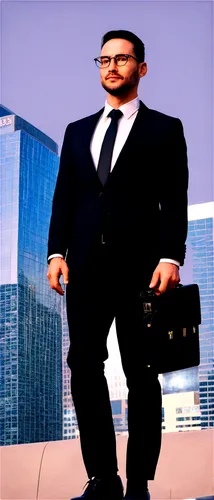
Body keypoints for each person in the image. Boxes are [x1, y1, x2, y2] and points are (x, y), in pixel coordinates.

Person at [47, 29, 188, 500]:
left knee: (142, 373)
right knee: (84, 366)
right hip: (85, 269)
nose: (111, 66)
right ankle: (103, 479)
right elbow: (64, 197)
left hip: (142, 270)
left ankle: (140, 484)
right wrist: (55, 253)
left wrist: (171, 256)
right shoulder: (76, 131)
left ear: (141, 68)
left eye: (122, 59)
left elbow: (175, 199)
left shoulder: (165, 128)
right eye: (104, 59)